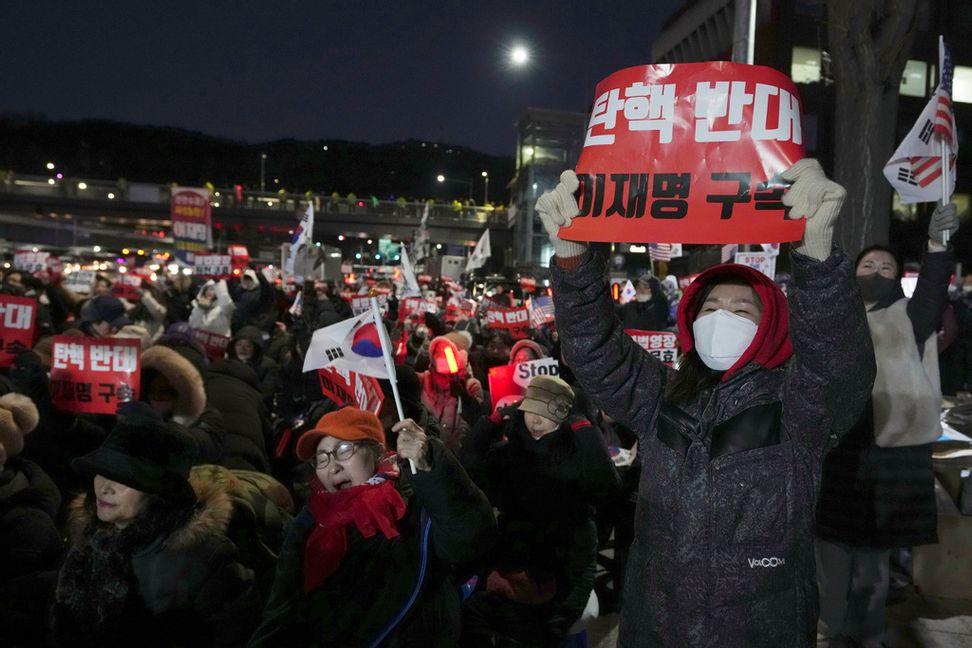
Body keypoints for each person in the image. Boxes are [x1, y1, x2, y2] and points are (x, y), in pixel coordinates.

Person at [535, 160, 876, 647]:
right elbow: (595, 350)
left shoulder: (800, 404)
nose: (722, 319)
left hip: (758, 629)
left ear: (770, 327)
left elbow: (839, 366)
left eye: (741, 311)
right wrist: (571, 260)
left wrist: (816, 257)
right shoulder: (663, 395)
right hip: (656, 622)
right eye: (710, 309)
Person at [814, 203, 959, 648]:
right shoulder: (831, 318)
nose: (875, 270)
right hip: (835, 454)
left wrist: (937, 247)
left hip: (887, 461)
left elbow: (933, 290)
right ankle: (829, 629)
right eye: (867, 264)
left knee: (873, 566)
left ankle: (867, 634)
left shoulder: (911, 318)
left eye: (885, 266)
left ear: (897, 278)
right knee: (831, 555)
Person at [248, 407, 497, 647]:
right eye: (321, 458)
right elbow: (281, 611)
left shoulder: (412, 505)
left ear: (378, 453)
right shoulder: (310, 521)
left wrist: (432, 467)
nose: (332, 466)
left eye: (344, 450)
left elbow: (472, 539)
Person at [51, 403, 262, 647]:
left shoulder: (207, 557)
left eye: (124, 480)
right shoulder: (85, 535)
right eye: (103, 472)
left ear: (158, 492)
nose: (105, 488)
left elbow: (239, 634)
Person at [460, 376, 621, 647]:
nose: (535, 420)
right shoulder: (510, 454)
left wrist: (583, 426)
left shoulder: (577, 457)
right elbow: (470, 463)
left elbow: (607, 486)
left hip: (567, 568)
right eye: (530, 411)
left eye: (545, 414)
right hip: (515, 565)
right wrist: (496, 419)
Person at [418, 331, 485, 451]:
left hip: (459, 452)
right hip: (429, 450)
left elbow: (476, 418)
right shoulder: (425, 380)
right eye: (438, 351)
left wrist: (464, 396)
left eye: (448, 351)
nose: (442, 355)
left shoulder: (471, 385)